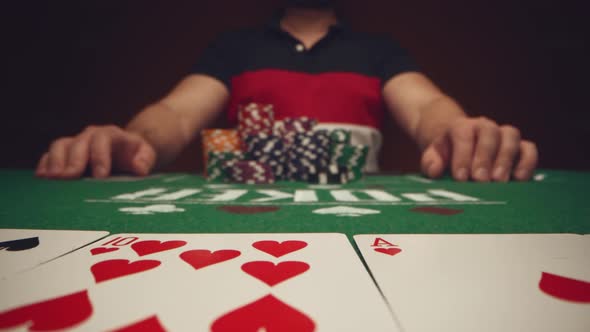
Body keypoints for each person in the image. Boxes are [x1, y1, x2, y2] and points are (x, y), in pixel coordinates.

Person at [35, 0, 537, 182]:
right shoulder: (235, 47)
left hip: (358, 215)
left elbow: (427, 105)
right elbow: (175, 114)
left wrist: (458, 132)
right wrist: (133, 139)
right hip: (246, 218)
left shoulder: (376, 48)